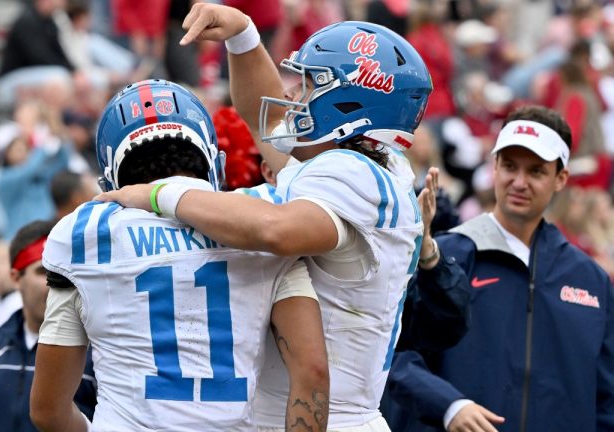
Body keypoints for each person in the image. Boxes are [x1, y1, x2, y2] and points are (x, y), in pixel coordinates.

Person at [97, 4, 433, 431]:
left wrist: (161, 192)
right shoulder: (349, 165)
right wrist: (243, 36)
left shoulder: (354, 174)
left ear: (350, 102)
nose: (293, 94)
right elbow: (267, 117)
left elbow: (274, 229)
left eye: (310, 85)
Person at [30, 79, 330, 431]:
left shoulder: (83, 232)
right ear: (211, 160)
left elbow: (48, 410)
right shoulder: (266, 214)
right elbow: (312, 373)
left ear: (111, 174)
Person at [385, 105, 614, 432]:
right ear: (494, 167)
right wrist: (449, 406)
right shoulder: (444, 255)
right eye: (509, 166)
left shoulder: (590, 279)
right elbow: (393, 355)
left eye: (535, 171)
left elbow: (605, 398)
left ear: (560, 178)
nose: (519, 182)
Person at [0, 220, 96, 432]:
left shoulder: (97, 350)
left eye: (65, 274)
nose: (57, 285)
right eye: (44, 272)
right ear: (16, 278)